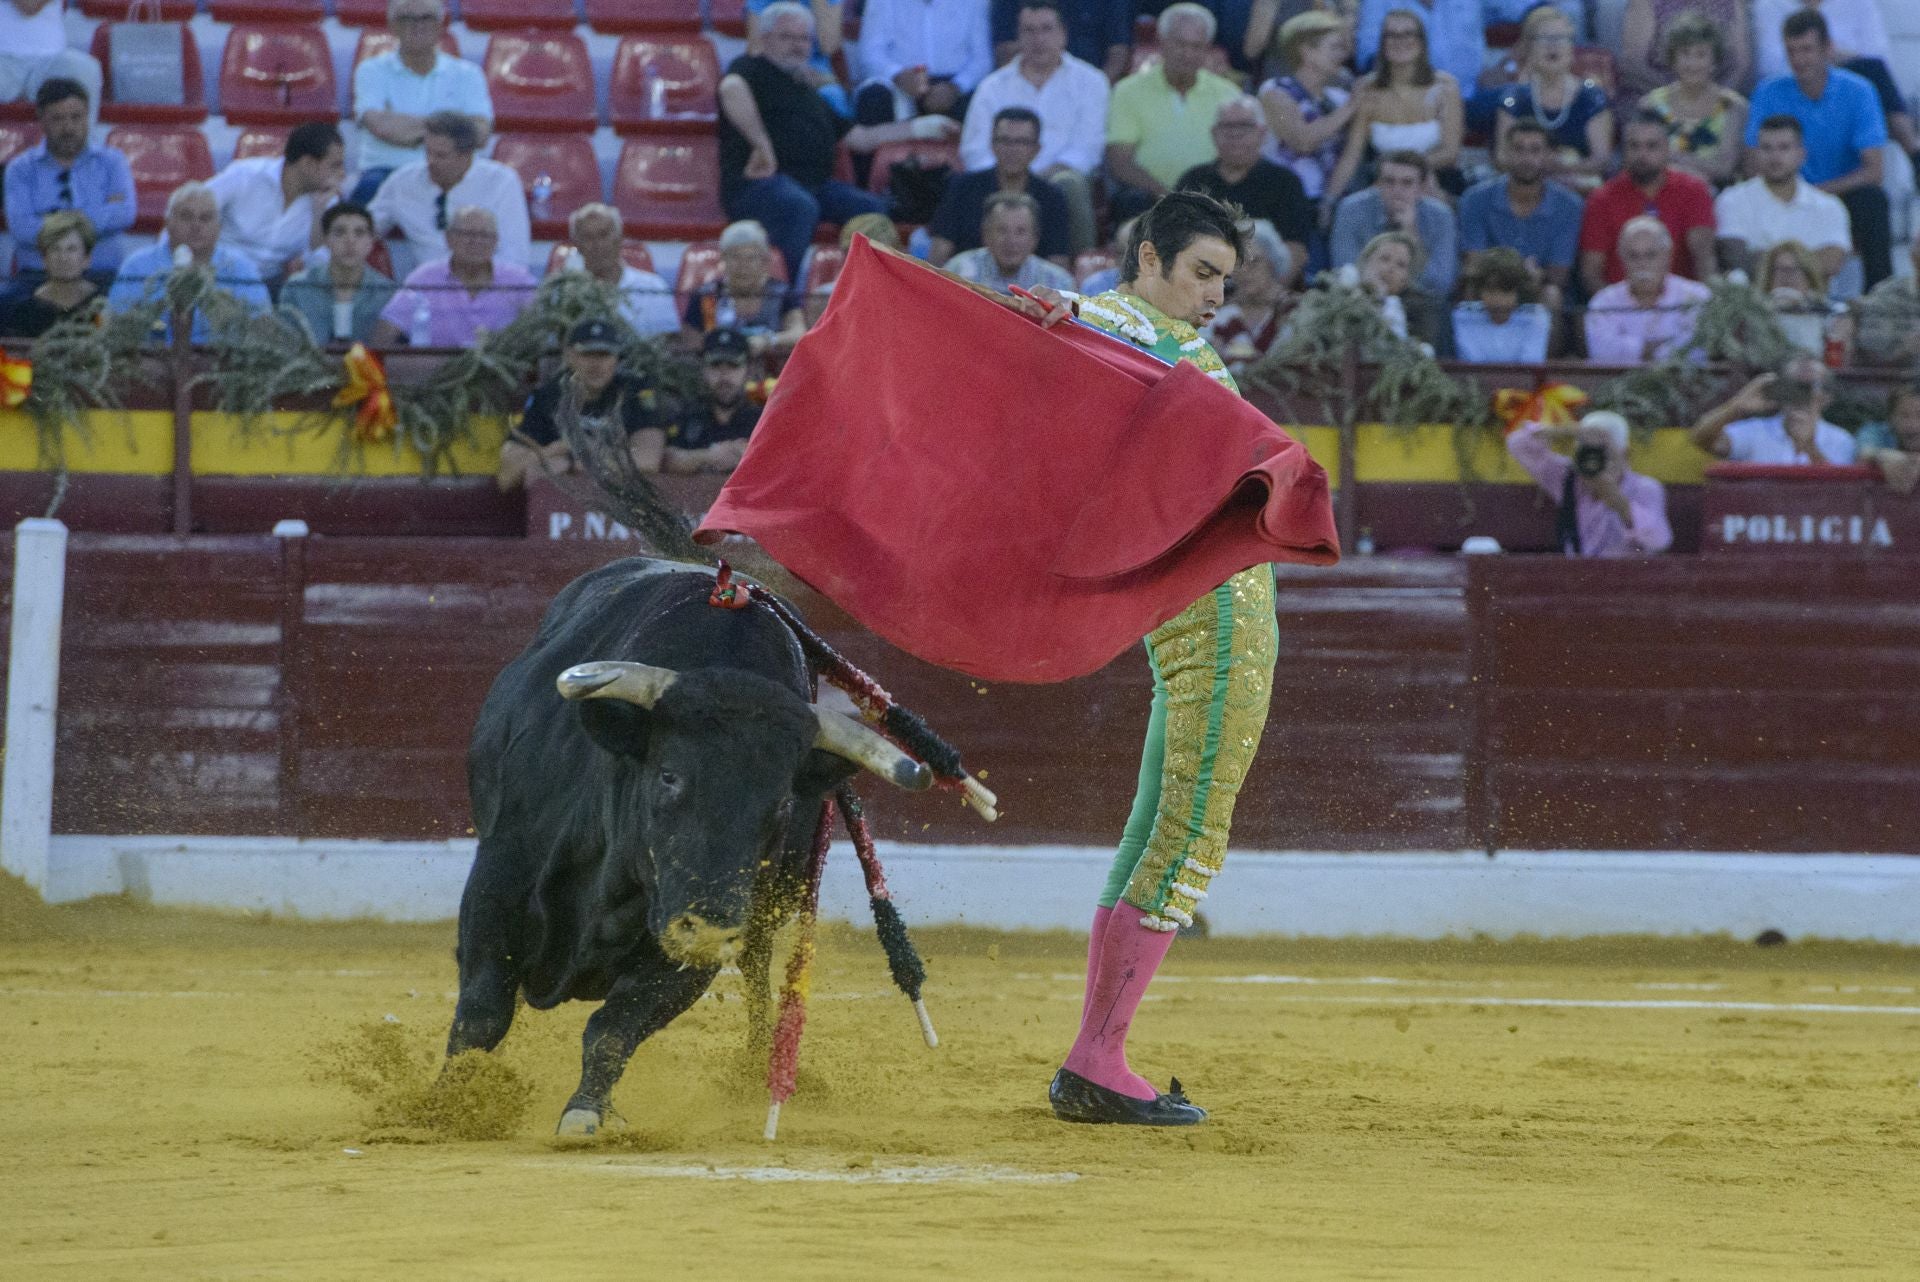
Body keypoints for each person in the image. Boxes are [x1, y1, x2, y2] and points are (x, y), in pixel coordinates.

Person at [1032, 191, 1277, 1128]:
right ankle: (1098, 1060)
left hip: (1200, 616)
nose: (1216, 295)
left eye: (1226, 279)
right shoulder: (1126, 320)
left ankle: (1095, 1054)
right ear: (1147, 259)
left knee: (1152, 827)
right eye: (1202, 273)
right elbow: (1082, 325)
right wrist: (1062, 312)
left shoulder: (1154, 328)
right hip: (1212, 623)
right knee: (1184, 835)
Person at [721, 1, 961, 283]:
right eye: (787, 37)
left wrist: (921, 127)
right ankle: (786, 298)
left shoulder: (808, 90)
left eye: (803, 39)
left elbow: (859, 138)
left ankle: (869, 291)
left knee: (871, 210)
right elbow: (730, 89)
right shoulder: (751, 69)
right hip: (758, 185)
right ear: (765, 40)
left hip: (814, 186)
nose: (797, 46)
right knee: (799, 207)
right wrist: (761, 145)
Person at [1745, 9, 1890, 289]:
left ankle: (1877, 299)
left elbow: (1874, 170)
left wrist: (1815, 194)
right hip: (1778, 191)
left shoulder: (1860, 91)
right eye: (1792, 51)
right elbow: (1752, 160)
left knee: (1873, 202)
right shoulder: (1768, 91)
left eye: (1807, 49)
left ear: (1828, 48)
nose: (1799, 60)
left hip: (1839, 195)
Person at [960, 0, 1109, 253]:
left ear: (1063, 34)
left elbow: (1086, 151)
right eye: (1029, 31)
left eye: (1046, 29)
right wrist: (1012, 176)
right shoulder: (993, 86)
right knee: (966, 185)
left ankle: (1081, 266)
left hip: (1058, 183)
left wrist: (1032, 180)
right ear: (1018, 35)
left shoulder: (1092, 82)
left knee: (1069, 182)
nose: (1038, 39)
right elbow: (974, 151)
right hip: (1001, 180)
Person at [1103, 4, 1243, 221]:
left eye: (1196, 46)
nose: (1187, 54)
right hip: (1150, 201)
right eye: (1180, 44)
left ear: (1207, 49)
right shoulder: (1128, 91)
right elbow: (1120, 162)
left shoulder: (1229, 94)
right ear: (1161, 43)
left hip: (1214, 201)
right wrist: (1168, 197)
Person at [499, 318, 672, 490]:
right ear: (568, 356)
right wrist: (557, 451)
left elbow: (648, 461)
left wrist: (576, 459)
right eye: (587, 354)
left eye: (604, 355)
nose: (596, 364)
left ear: (616, 358)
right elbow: (507, 476)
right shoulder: (548, 396)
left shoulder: (636, 391)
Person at [351, 0, 492, 205]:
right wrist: (452, 129)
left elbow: (479, 134)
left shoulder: (468, 74)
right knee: (356, 214)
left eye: (426, 17)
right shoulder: (370, 70)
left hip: (451, 175)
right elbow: (379, 126)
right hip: (386, 172)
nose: (417, 25)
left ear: (440, 25)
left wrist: (405, 128)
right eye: (407, 18)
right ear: (393, 26)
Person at [1325, 7, 1464, 205]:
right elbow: (1353, 153)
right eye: (1391, 35)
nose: (1400, 41)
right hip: (1381, 182)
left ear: (1422, 42)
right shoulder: (1367, 87)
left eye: (1408, 34)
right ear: (1383, 43)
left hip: (1435, 179)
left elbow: (1449, 152)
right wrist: (1329, 200)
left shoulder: (1446, 87)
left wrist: (1404, 172)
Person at [108, 182, 271, 342]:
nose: (196, 226)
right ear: (168, 224)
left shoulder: (241, 268)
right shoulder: (137, 266)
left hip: (222, 362)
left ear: (219, 227)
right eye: (186, 217)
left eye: (206, 218)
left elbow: (261, 328)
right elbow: (115, 324)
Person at [3, 78, 133, 277]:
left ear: (87, 116)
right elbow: (21, 227)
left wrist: (50, 222)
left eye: (76, 117)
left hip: (101, 273)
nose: (68, 128)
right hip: (36, 276)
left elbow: (124, 214)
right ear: (42, 119)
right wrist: (93, 217)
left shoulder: (113, 162)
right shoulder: (20, 169)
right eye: (58, 119)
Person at [368, 111, 529, 270]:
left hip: (487, 287)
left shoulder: (501, 182)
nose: (430, 161)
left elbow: (514, 256)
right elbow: (365, 228)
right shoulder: (402, 182)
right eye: (428, 152)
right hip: (425, 288)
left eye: (441, 155)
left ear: (466, 156)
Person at [1578, 111, 1717, 294]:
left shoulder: (1694, 191)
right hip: (1621, 310)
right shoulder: (1601, 199)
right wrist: (1615, 309)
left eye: (1652, 146)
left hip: (1681, 307)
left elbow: (1704, 259)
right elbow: (1591, 272)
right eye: (1634, 146)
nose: (1642, 155)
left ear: (1667, 149)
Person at [1458, 119, 1583, 321]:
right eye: (1518, 149)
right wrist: (1515, 276)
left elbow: (1559, 275)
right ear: (1506, 153)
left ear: (1549, 155)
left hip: (1539, 286)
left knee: (1552, 295)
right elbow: (1474, 264)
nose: (1526, 158)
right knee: (1471, 292)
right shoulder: (1475, 199)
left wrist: (1527, 279)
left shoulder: (1569, 205)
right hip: (1489, 287)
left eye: (1535, 150)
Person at [1506, 410, 1674, 557]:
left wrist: (1620, 503)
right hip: (1575, 579)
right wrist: (1568, 431)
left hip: (1625, 581)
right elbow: (1517, 443)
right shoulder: (1568, 478)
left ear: (1625, 454)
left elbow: (1659, 542)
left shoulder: (1644, 487)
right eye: (1589, 454)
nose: (1595, 462)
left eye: (1604, 453)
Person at [1176, 97, 1315, 273]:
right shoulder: (1193, 182)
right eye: (1227, 127)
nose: (1235, 135)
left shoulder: (1285, 182)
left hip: (1265, 286)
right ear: (1214, 134)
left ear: (1262, 133)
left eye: (1245, 127)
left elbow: (1296, 250)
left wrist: (1269, 292)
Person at [371, 205, 536, 347]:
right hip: (436, 377)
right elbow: (385, 333)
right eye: (467, 234)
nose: (476, 241)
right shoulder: (424, 278)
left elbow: (541, 332)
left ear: (495, 242)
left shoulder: (518, 281)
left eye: (484, 235)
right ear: (449, 239)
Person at [927, 106, 1071, 267]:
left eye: (1022, 142)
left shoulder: (1052, 197)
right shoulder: (963, 187)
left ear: (1036, 149)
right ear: (992, 144)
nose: (1012, 150)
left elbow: (1058, 263)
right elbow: (939, 253)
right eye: (1005, 141)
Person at [1714, 113, 1853, 280]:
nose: (1775, 157)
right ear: (1756, 153)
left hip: (1813, 304)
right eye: (1766, 148)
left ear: (1801, 154)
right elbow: (1736, 258)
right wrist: (1807, 261)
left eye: (1784, 147)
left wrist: (1762, 257)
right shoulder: (1732, 200)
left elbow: (1831, 262)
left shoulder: (1829, 206)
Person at [206, 122, 347, 285]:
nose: (342, 174)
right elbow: (188, 206)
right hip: (217, 275)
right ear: (308, 164)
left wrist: (319, 214)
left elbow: (318, 271)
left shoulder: (327, 200)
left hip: (271, 283)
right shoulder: (246, 175)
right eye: (335, 165)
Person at [1494, 6, 1615, 195]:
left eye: (1561, 38)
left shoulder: (1592, 96)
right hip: (1525, 187)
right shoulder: (1514, 98)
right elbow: (1502, 157)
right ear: (1528, 47)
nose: (1553, 46)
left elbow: (1601, 159)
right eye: (1544, 39)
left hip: (1579, 190)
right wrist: (1535, 167)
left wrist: (1561, 169)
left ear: (1572, 47)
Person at [1255, 10, 1356, 205]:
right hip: (1284, 200)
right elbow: (1302, 142)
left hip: (1330, 201)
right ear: (1306, 52)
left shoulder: (1339, 98)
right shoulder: (1275, 91)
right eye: (1334, 47)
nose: (1342, 55)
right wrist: (1351, 107)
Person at [1638, 12, 1750, 186]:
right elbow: (1643, 161)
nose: (1692, 63)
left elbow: (1725, 168)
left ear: (1714, 61)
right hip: (1660, 191)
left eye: (1701, 55)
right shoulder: (1650, 105)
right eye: (1685, 54)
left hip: (1714, 194)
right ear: (1673, 59)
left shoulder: (1734, 106)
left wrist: (1673, 159)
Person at [1329, 149, 1458, 299]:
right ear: (1377, 184)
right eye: (1389, 181)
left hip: (1420, 304)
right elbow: (1346, 272)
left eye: (1407, 183)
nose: (1397, 191)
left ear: (1421, 188)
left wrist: (1411, 233)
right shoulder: (1351, 210)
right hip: (1363, 300)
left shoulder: (1441, 216)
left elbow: (1441, 284)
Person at [1583, 216, 1711, 363]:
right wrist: (1660, 348)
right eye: (1633, 256)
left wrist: (1633, 350)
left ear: (1667, 256)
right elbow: (1603, 354)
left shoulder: (1696, 296)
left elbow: (1695, 352)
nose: (1642, 264)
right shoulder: (1603, 301)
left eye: (1650, 255)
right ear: (1622, 258)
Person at [1688, 355, 1856, 463]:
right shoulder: (1756, 431)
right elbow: (1699, 439)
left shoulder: (1840, 440)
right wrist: (1736, 406)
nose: (1801, 395)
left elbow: (1839, 493)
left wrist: (1810, 447)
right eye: (1794, 385)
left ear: (1827, 397)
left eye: (1810, 386)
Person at [679, 219, 807, 360]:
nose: (743, 266)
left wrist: (768, 341)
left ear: (764, 262)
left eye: (751, 258)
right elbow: (690, 342)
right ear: (724, 260)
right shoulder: (707, 295)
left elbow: (799, 333)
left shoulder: (782, 293)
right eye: (735, 257)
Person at [853, 0, 991, 126]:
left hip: (955, 86)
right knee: (873, 98)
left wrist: (955, 87)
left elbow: (982, 60)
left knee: (981, 105)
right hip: (900, 82)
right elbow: (869, 54)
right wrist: (897, 75)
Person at [278, 203, 399, 345]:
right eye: (339, 233)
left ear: (371, 241)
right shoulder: (297, 288)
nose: (350, 241)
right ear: (326, 240)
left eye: (359, 233)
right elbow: (285, 344)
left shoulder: (388, 293)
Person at [557, 204, 678, 338]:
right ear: (577, 245)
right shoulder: (561, 291)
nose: (597, 245)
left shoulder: (653, 287)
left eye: (604, 235)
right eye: (588, 237)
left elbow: (669, 345)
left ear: (619, 239)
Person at [663, 328, 763, 475]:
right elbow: (665, 459)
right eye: (715, 366)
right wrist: (709, 456)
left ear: (748, 370)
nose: (724, 376)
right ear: (703, 369)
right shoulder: (688, 415)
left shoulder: (762, 419)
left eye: (733, 366)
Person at [1204, 218, 1294, 376]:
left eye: (1255, 262)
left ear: (1272, 262)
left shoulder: (1296, 311)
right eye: (1238, 265)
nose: (1244, 272)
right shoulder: (1219, 318)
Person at [1621, 0, 1754, 100]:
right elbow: (1633, 63)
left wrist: (1715, 98)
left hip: (1716, 98)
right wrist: (1677, 96)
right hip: (1655, 96)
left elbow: (1741, 64)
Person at [947, 190, 1076, 293]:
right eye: (1002, 230)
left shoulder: (1058, 283)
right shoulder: (957, 270)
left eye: (1020, 232)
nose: (1011, 241)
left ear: (1035, 238)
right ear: (986, 235)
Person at [0, 208, 99, 337]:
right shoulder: (21, 311)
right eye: (55, 249)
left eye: (71, 249)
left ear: (87, 259)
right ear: (44, 259)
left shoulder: (104, 305)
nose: (63, 257)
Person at [0, 0, 98, 126]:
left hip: (51, 62)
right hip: (3, 62)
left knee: (85, 68)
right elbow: (28, 6)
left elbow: (30, 6)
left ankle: (84, 144)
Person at [987, 0, 1133, 81]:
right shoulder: (992, 90)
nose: (1039, 38)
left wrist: (1096, 87)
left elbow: (1118, 51)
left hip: (1089, 83)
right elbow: (1003, 50)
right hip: (1022, 86)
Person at [1353, 0, 1483, 90]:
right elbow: (1369, 55)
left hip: (1474, 91)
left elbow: (1503, 13)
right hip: (1411, 96)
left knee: (1504, 99)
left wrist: (1504, 69)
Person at [1753, 0, 1890, 85]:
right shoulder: (1769, 5)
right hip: (1791, 86)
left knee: (1875, 74)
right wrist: (1820, 54)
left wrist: (1820, 56)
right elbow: (1771, 65)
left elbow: (1876, 57)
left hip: (1852, 83)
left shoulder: (1859, 3)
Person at [1452, 246, 1552, 363]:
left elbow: (1529, 368)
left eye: (1506, 291)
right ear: (1479, 290)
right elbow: (1472, 367)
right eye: (1491, 290)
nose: (1498, 300)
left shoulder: (1536, 318)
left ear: (1519, 292)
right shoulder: (1462, 316)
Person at [1356, 227, 1446, 350]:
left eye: (1401, 265)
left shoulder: (1420, 310)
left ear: (1407, 279)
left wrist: (1382, 301)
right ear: (1365, 261)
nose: (1390, 269)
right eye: (1384, 259)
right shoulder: (1337, 293)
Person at [1852, 227, 1920, 366]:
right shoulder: (1887, 296)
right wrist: (1906, 349)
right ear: (1914, 258)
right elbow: (1871, 357)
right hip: (1902, 382)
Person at [1755, 239, 1834, 353]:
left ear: (1809, 276)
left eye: (1795, 269)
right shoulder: (1753, 310)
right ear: (1769, 276)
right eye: (1779, 269)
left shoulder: (1825, 313)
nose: (1787, 275)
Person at [1853, 381, 1920, 495]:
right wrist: (1883, 455)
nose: (1912, 425)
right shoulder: (1874, 431)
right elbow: (1864, 452)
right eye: (1904, 415)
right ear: (1891, 418)